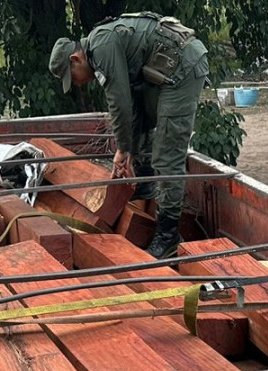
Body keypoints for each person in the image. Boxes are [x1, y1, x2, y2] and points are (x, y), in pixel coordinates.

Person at [49, 12, 209, 259]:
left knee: (167, 153)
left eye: (74, 77)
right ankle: (145, 183)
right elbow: (132, 107)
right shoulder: (100, 48)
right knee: (142, 116)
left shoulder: (102, 46)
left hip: (183, 69)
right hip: (164, 71)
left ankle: (168, 237)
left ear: (75, 58)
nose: (79, 84)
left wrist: (122, 149)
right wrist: (129, 152)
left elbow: (119, 103)